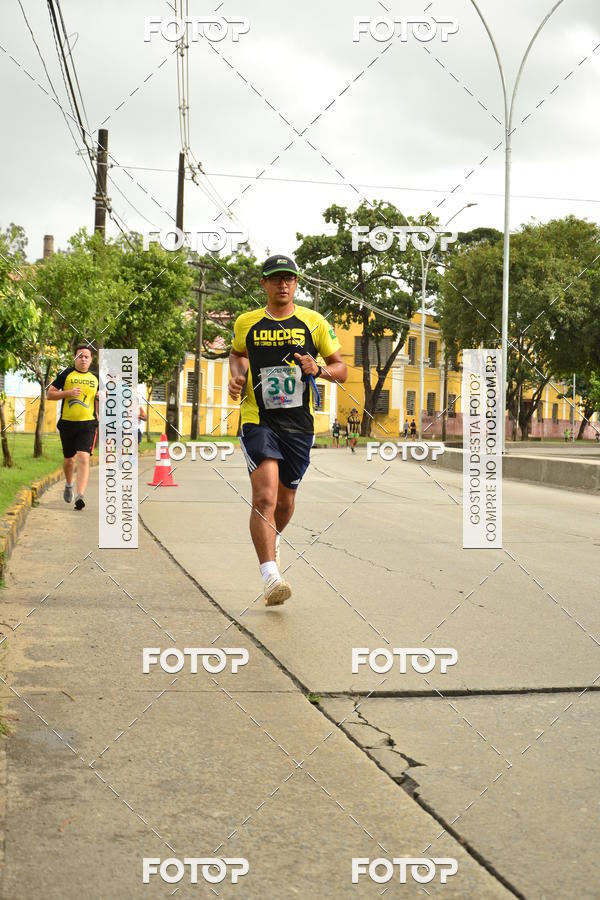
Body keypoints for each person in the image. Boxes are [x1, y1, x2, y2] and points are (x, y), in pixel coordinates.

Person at [228, 254, 347, 606]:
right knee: (264, 496)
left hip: (298, 423)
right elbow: (237, 354)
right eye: (276, 278)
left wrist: (320, 368)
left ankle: (273, 537)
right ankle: (271, 577)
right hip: (258, 418)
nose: (283, 284)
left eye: (289, 279)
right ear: (263, 283)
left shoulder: (314, 322)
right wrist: (237, 375)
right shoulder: (247, 323)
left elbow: (341, 369)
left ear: (296, 284)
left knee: (285, 501)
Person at [47, 344, 99, 511]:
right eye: (80, 356)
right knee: (69, 459)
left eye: (86, 356)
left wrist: (103, 396)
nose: (83, 359)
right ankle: (69, 484)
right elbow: (50, 394)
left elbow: (105, 398)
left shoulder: (97, 378)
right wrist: (67, 393)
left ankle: (80, 495)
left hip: (88, 424)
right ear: (75, 358)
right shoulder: (66, 373)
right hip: (68, 423)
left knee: (84, 457)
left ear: (91, 360)